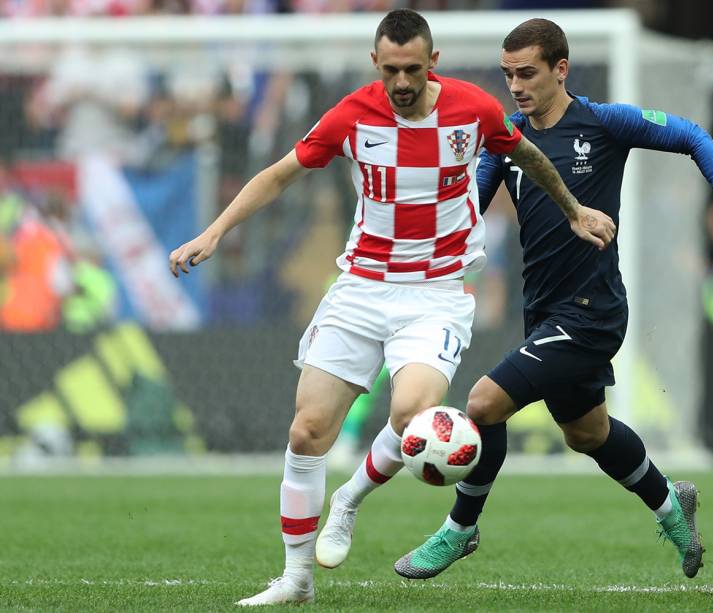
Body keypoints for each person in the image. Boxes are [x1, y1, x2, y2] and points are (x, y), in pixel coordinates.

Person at [168, 9, 614, 606]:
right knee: (307, 432)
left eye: (412, 69)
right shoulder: (351, 116)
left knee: (411, 415)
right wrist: (215, 232)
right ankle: (295, 579)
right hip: (360, 288)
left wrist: (572, 209)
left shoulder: (474, 110)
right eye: (390, 70)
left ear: (433, 63)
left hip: (436, 295)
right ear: (374, 64)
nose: (401, 82)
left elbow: (529, 157)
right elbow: (278, 176)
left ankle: (348, 500)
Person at [388, 18, 713, 581]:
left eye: (528, 73)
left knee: (484, 404)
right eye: (508, 74)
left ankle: (459, 530)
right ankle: (671, 505)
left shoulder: (603, 123)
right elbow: (465, 211)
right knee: (586, 433)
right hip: (543, 312)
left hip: (591, 312)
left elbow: (692, 135)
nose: (516, 86)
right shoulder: (509, 140)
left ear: (560, 70)